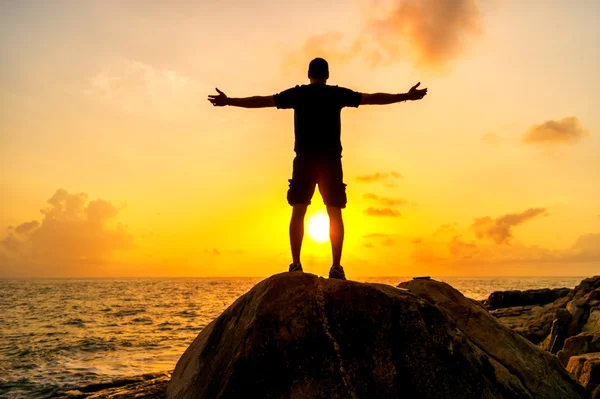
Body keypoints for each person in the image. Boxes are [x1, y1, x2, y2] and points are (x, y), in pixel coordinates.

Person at [208, 57, 427, 280]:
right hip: (331, 161)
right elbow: (373, 98)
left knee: (299, 211)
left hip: (304, 160)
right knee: (334, 213)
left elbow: (262, 101)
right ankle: (336, 267)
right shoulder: (336, 94)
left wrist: (230, 101)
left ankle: (295, 264)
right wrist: (406, 96)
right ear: (328, 75)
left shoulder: (298, 94)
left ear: (308, 74)